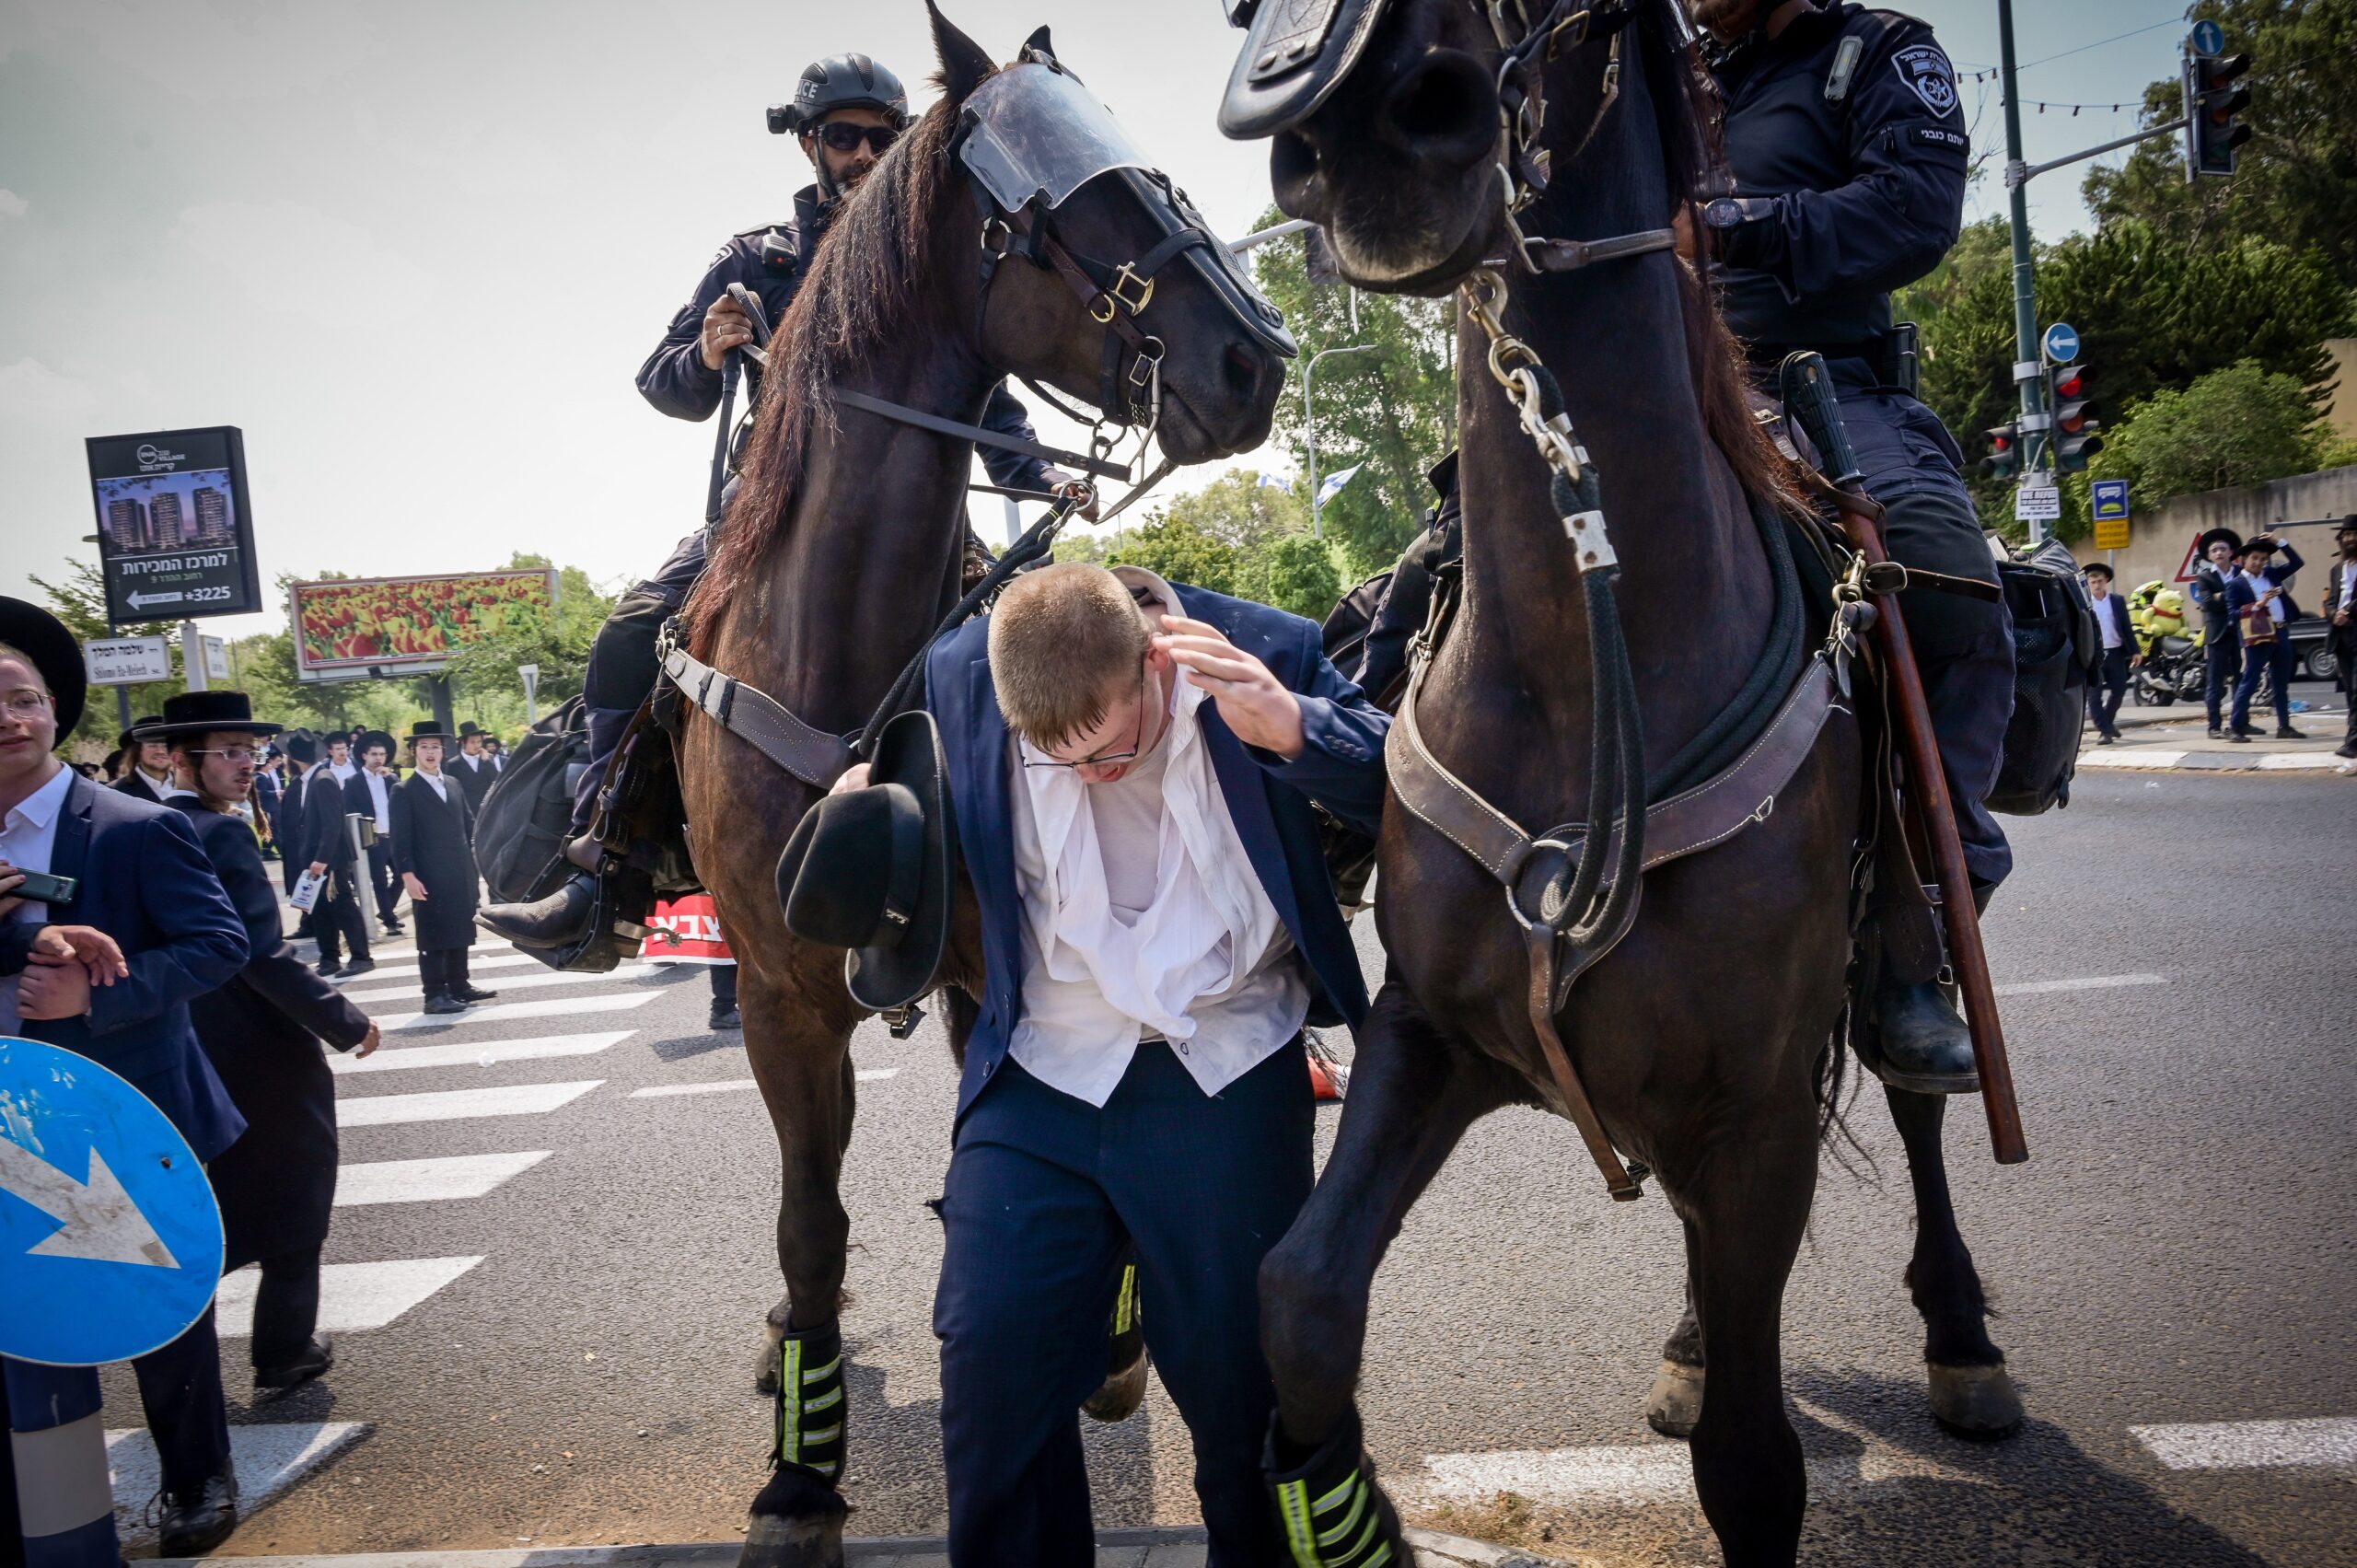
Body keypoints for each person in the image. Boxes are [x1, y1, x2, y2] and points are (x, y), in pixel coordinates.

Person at [814, 562, 1387, 1564]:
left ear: (1156, 664)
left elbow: (1411, 787)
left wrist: (1296, 727)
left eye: (1109, 748)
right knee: (991, 1359)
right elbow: (892, 774)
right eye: (1052, 757)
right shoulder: (957, 670)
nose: (1085, 773)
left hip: (1224, 1064)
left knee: (1237, 1392)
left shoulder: (1273, 649)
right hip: (1042, 1071)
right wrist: (865, 797)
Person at [483, 52, 1093, 953]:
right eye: (842, 135)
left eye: (881, 136)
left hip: (927, 529)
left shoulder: (935, 264)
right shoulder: (754, 259)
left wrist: (1041, 481)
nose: (861, 152)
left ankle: (1083, 850)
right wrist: (709, 352)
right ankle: (601, 868)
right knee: (627, 635)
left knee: (1054, 634)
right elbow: (663, 382)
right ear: (810, 144)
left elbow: (993, 407)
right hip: (765, 516)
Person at [1668, 0, 2012, 1095]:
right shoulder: (1650, 65)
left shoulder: (1879, 53)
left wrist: (1735, 227)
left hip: (1816, 381)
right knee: (1445, 558)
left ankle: (1910, 947)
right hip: (1648, 384)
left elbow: (1914, 212)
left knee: (1944, 584)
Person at [0, 598, 250, 1554]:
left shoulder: (133, 827)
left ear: (54, 709)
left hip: (126, 1101)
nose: (11, 720)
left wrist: (96, 1001)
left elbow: (218, 943)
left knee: (157, 1304)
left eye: (25, 699)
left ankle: (196, 1477)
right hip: (9, 1111)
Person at [153, 690, 382, 1394]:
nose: (246, 763)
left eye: (251, 750)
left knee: (209, 1198)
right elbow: (259, 951)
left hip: (181, 1038)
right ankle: (284, 1348)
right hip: (257, 1045)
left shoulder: (145, 825)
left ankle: (194, 1351)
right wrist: (344, 1020)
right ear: (184, 759)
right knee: (296, 1187)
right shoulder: (219, 833)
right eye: (228, 751)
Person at [390, 721, 495, 1015]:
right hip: (427, 873)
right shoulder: (404, 790)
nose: (430, 752)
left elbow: (468, 823)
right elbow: (401, 838)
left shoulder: (453, 783)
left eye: (435, 746)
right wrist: (407, 874)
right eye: (423, 747)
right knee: (433, 933)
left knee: (460, 927)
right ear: (414, 752)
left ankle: (459, 984)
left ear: (443, 750)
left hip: (459, 870)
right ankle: (434, 994)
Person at [300, 735, 375, 977]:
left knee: (343, 906)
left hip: (331, 859)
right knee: (321, 909)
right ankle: (329, 957)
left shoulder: (322, 780)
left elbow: (332, 824)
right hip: (319, 857)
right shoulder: (313, 779)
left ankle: (361, 956)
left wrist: (322, 858)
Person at [2225, 531, 2307, 741]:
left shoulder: (2271, 574)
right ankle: (2235, 726)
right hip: (2258, 635)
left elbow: (2297, 562)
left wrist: (2279, 541)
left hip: (2280, 631)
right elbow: (2233, 615)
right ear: (2244, 559)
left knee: (2281, 682)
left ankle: (2284, 726)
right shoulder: (2235, 584)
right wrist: (2256, 606)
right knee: (2250, 680)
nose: (2259, 563)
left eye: (2263, 559)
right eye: (2255, 558)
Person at [2189, 527, 2247, 738]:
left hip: (2241, 633)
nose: (2219, 553)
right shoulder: (2205, 577)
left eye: (2223, 549)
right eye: (2214, 550)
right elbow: (2206, 603)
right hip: (2217, 635)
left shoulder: (2241, 573)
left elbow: (2248, 598)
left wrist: (2219, 596)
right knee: (2215, 682)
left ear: (2231, 552)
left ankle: (2241, 722)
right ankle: (2214, 726)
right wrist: (2230, 594)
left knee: (2242, 680)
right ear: (2209, 556)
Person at [352, 730, 404, 935]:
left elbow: (402, 800)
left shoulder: (390, 778)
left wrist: (393, 778)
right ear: (365, 755)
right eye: (374, 754)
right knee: (380, 881)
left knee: (401, 876)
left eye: (381, 755)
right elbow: (350, 811)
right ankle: (390, 921)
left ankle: (386, 911)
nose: (378, 758)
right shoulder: (354, 782)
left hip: (393, 836)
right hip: (372, 838)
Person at [2083, 562, 2138, 744]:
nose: (2097, 585)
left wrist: (2135, 650)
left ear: (2106, 581)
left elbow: (2126, 627)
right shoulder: (2084, 603)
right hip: (2094, 655)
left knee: (2119, 690)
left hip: (2115, 652)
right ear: (2088, 583)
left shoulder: (2117, 601)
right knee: (2094, 695)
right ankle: (2105, 731)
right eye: (2093, 582)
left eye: (2100, 581)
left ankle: (2107, 722)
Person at [2325, 517, 2357, 760]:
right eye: (2346, 535)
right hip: (2340, 634)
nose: (2350, 539)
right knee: (2349, 688)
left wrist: (2349, 612)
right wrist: (2335, 613)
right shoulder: (2337, 569)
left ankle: (2353, 742)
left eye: (2354, 534)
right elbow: (2330, 600)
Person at [112, 713, 172, 802]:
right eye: (152, 745)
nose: (160, 751)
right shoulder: (120, 791)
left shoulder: (186, 786)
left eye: (166, 745)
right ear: (137, 751)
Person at [448, 720, 501, 819]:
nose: (477, 745)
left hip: (489, 812)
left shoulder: (488, 758)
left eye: (479, 742)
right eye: (472, 742)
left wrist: (486, 761)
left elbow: (497, 780)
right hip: (467, 815)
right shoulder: (453, 764)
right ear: (463, 742)